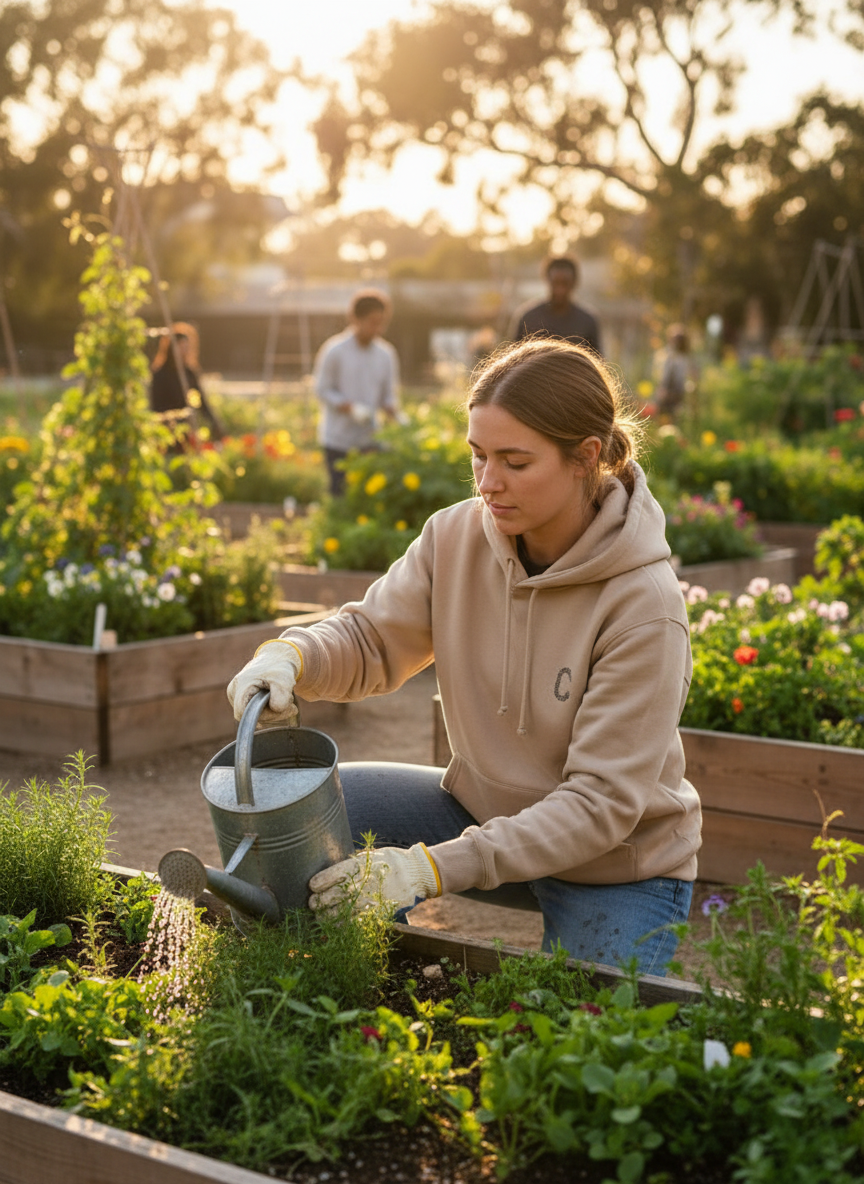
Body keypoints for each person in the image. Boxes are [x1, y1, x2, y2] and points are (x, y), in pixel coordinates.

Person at [227, 339, 701, 976]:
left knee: (582, 1036)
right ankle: (340, 996)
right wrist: (292, 655)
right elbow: (373, 639)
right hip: (483, 814)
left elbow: (598, 808)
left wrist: (428, 870)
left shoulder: (643, 603)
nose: (487, 482)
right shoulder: (455, 535)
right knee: (331, 809)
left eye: (514, 461)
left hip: (612, 864)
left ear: (586, 457)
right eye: (478, 455)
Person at [314, 289, 401, 496]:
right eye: (373, 322)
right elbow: (322, 389)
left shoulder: (386, 355)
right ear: (355, 318)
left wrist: (394, 413)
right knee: (341, 496)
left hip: (370, 440)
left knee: (368, 497)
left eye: (382, 322)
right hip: (338, 439)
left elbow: (388, 395)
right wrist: (346, 406)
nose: (378, 328)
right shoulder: (334, 351)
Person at [509, 256, 602, 356]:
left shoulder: (587, 322)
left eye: (565, 283)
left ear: (574, 282)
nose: (560, 290)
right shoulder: (528, 319)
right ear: (547, 280)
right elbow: (513, 361)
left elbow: (597, 363)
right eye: (556, 283)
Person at [149, 322, 223, 443]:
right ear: (171, 348)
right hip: (166, 431)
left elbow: (202, 402)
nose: (184, 350)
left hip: (186, 430)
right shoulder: (160, 374)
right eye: (181, 346)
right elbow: (156, 407)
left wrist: (215, 424)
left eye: (186, 346)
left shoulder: (189, 373)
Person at [654, 325, 698, 420]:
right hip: (669, 393)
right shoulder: (667, 355)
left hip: (678, 394)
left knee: (673, 417)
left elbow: (692, 377)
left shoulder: (686, 359)